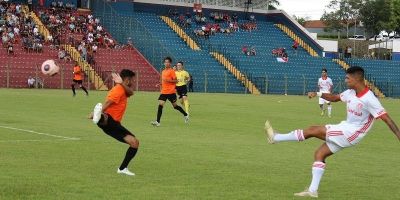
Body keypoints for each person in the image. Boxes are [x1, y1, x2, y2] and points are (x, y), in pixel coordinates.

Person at [264, 66, 400, 198]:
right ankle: (312, 191)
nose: (345, 80)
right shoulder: (350, 92)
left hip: (352, 133)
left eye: (347, 78)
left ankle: (276, 137)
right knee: (319, 154)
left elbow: (387, 119)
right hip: (345, 128)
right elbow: (334, 98)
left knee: (312, 130)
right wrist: (317, 93)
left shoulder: (369, 99)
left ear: (357, 79)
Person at [90, 70, 139, 176]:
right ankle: (99, 116)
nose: (133, 82)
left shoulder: (123, 89)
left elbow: (131, 93)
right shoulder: (118, 90)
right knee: (106, 118)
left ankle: (122, 169)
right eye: (132, 79)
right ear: (127, 79)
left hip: (114, 124)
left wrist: (121, 83)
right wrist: (97, 112)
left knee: (134, 143)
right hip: (110, 120)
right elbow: (108, 102)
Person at [151, 57, 189, 127]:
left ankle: (185, 114)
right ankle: (158, 121)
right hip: (164, 92)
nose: (166, 63)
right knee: (160, 104)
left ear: (170, 63)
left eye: (168, 62)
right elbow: (164, 81)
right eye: (165, 62)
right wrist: (160, 84)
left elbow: (176, 81)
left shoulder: (172, 71)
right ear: (164, 63)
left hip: (171, 92)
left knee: (175, 106)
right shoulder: (163, 71)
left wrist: (169, 81)